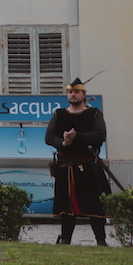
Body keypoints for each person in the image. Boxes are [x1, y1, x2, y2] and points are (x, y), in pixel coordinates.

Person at [45, 78, 109, 246]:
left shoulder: (94, 113)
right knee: (66, 207)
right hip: (65, 167)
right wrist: (64, 142)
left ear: (84, 94)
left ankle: (101, 241)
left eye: (76, 92)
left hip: (89, 167)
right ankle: (66, 239)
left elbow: (100, 135)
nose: (73, 95)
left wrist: (77, 136)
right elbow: (49, 137)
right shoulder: (59, 114)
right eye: (70, 92)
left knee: (94, 204)